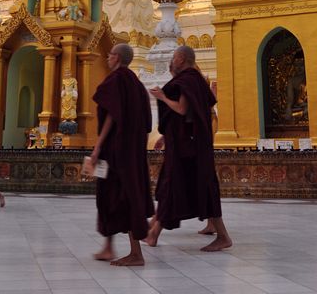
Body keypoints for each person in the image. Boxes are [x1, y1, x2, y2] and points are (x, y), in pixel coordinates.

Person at [148, 45, 232, 251]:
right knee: (187, 185)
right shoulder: (196, 81)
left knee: (176, 184)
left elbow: (182, 109)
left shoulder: (187, 81)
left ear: (182, 59)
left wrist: (162, 97)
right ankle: (154, 232)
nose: (173, 61)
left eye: (175, 57)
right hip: (192, 144)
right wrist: (166, 138)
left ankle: (154, 233)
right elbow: (192, 116)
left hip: (187, 148)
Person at [90, 43, 154, 266]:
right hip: (132, 150)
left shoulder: (116, 80)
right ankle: (108, 247)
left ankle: (136, 253)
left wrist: (98, 146)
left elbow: (111, 115)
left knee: (124, 196)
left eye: (109, 54)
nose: (107, 58)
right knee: (109, 195)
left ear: (116, 57)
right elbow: (147, 122)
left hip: (115, 149)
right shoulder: (136, 83)